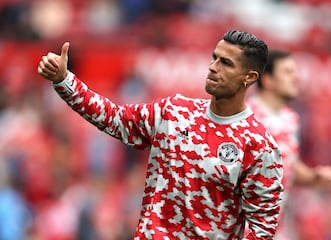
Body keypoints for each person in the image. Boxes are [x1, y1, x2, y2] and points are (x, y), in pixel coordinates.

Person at [37, 30, 283, 239]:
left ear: (249, 78)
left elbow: (263, 230)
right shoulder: (173, 112)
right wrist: (64, 80)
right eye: (214, 58)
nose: (213, 67)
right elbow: (114, 118)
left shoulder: (259, 145)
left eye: (226, 63)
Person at [247, 50, 331, 239]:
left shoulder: (290, 119)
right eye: (288, 72)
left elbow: (287, 166)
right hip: (244, 228)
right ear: (268, 80)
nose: (296, 77)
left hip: (274, 228)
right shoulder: (247, 118)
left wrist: (314, 177)